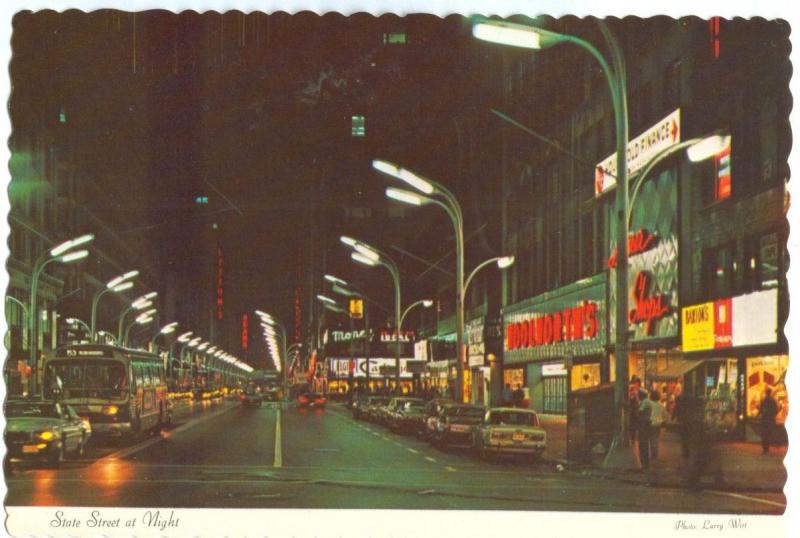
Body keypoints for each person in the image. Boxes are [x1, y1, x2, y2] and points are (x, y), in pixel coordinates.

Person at [758, 388, 779, 454]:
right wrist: (773, 415)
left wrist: (761, 413)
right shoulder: (773, 400)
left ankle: (765, 448)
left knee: (764, 434)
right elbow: (776, 410)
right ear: (770, 393)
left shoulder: (764, 400)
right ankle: (767, 448)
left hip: (764, 419)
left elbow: (760, 410)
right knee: (768, 433)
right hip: (771, 419)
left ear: (766, 393)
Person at [637, 389, 654, 469]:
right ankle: (644, 461)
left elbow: (640, 411)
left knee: (643, 443)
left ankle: (644, 462)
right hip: (646, 423)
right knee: (644, 442)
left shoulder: (645, 402)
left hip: (644, 423)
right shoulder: (647, 401)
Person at [648, 390, 667, 461]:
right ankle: (655, 453)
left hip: (650, 423)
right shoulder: (661, 405)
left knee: (651, 439)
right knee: (656, 438)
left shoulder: (649, 404)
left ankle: (653, 453)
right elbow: (665, 414)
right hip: (658, 424)